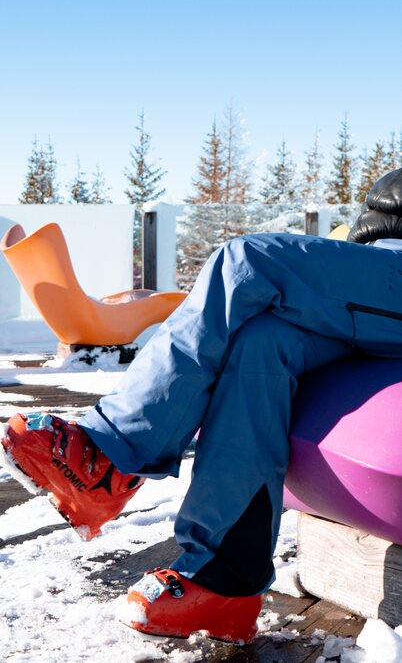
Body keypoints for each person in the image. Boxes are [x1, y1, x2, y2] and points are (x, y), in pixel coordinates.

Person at [2, 169, 402, 644]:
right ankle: (224, 577)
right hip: (372, 280)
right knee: (258, 344)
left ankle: (109, 457)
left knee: (245, 261)